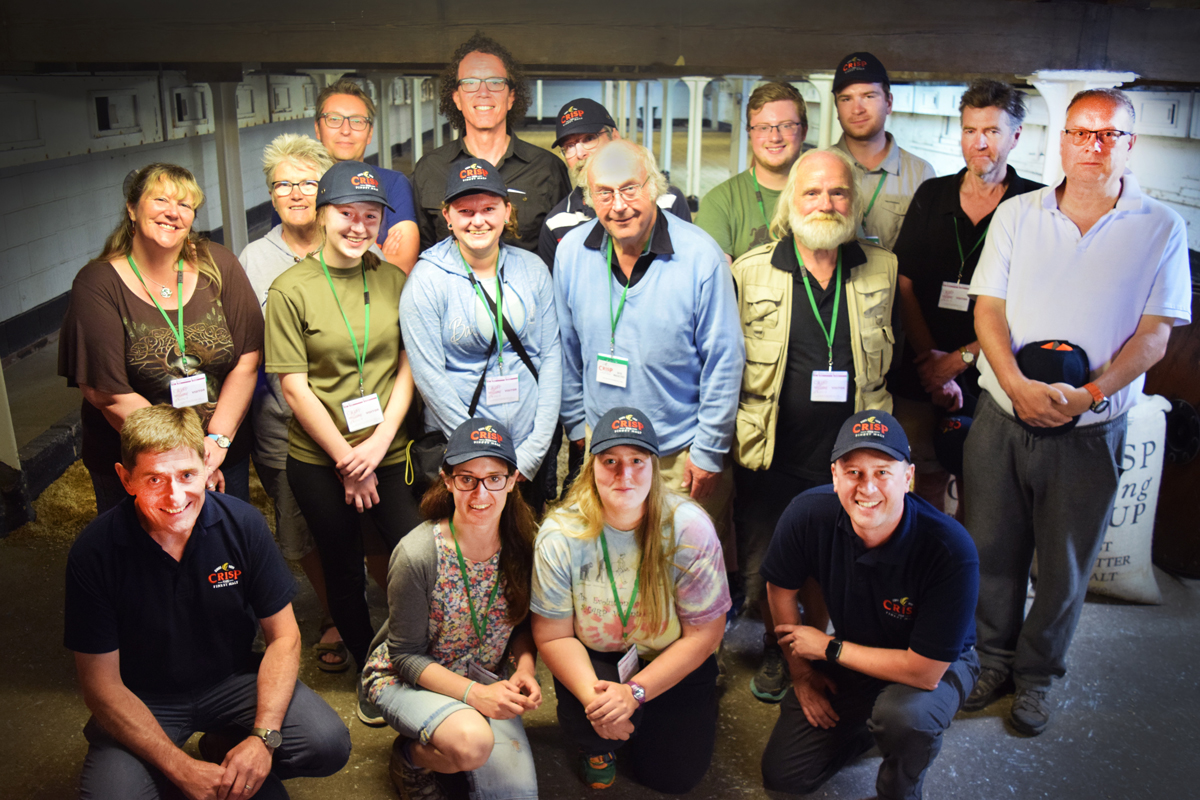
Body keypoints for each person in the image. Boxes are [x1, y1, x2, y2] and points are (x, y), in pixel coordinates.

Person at [963, 88, 1192, 735]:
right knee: (992, 551)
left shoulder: (1160, 227)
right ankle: (990, 662)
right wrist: (1017, 386)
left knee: (1064, 566)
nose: (1093, 145)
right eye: (1081, 132)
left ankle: (1037, 679)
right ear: (1060, 140)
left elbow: (1154, 335)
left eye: (1109, 134)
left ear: (1130, 145)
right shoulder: (1019, 214)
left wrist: (1088, 396)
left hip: (1090, 430)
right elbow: (989, 311)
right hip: (1002, 419)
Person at [64, 404, 350, 800]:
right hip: (143, 695)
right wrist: (179, 768)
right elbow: (100, 685)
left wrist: (263, 738)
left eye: (186, 475)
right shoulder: (94, 552)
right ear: (125, 479)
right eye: (154, 479)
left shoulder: (243, 524)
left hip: (229, 680)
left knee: (327, 743)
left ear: (208, 469)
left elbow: (284, 638)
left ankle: (225, 747)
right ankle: (178, 774)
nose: (175, 495)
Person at [729, 147, 898, 704]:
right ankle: (784, 653)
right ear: (790, 200)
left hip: (852, 456)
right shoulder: (750, 271)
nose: (825, 203)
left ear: (852, 200)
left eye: (838, 192)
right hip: (771, 450)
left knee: (840, 564)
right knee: (776, 566)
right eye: (812, 192)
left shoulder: (882, 268)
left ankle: (828, 649)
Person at [264, 160, 421, 725]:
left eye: (370, 216)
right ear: (323, 214)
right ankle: (369, 673)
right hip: (318, 459)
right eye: (346, 214)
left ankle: (418, 662)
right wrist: (347, 460)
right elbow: (294, 387)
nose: (359, 226)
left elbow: (408, 368)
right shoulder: (290, 289)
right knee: (343, 569)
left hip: (388, 450)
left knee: (413, 557)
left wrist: (376, 449)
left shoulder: (395, 281)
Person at [759, 410, 979, 800]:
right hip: (857, 655)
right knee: (784, 775)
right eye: (853, 472)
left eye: (882, 472)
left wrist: (828, 648)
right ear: (834, 476)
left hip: (937, 664)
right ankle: (864, 725)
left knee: (905, 718)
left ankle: (900, 788)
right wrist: (802, 673)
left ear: (908, 478)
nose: (867, 487)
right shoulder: (808, 513)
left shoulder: (950, 549)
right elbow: (780, 588)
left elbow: (924, 672)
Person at [555, 139, 744, 559]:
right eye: (604, 193)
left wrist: (709, 451)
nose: (618, 205)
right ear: (589, 199)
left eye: (629, 189)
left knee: (681, 570)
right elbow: (566, 346)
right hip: (602, 448)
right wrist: (577, 427)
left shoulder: (700, 256)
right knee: (612, 565)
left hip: (677, 453)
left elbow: (725, 359)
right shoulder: (570, 253)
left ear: (654, 187)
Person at [532, 406, 731, 793]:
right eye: (611, 461)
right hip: (598, 658)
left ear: (655, 466)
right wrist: (600, 703)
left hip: (670, 654)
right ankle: (597, 743)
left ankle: (666, 714)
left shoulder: (690, 527)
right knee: (602, 732)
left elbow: (706, 634)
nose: (625, 475)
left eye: (637, 461)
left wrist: (635, 692)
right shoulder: (560, 535)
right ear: (592, 467)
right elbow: (553, 635)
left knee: (672, 778)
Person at [59, 162, 262, 514]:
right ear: (132, 208)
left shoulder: (220, 264)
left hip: (219, 452)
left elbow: (247, 359)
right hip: (141, 464)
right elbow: (107, 392)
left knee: (224, 558)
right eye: (160, 200)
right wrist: (184, 461)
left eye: (185, 204)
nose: (173, 212)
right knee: (146, 564)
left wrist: (216, 441)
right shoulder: (98, 284)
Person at [362, 418, 541, 800]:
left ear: (512, 480)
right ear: (447, 480)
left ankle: (453, 743)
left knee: (517, 795)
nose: (481, 493)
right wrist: (476, 696)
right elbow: (405, 656)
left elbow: (522, 625)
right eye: (467, 479)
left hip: (482, 675)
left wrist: (525, 667)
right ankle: (411, 758)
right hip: (408, 676)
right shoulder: (418, 554)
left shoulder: (523, 545)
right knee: (471, 743)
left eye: (494, 478)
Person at [890, 80, 1042, 513]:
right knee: (921, 483)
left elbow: (1032, 305)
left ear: (1015, 136)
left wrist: (959, 361)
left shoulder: (1034, 204)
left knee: (986, 492)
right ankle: (928, 573)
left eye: (992, 132)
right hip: (922, 374)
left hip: (996, 378)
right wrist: (933, 364)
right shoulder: (933, 194)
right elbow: (905, 284)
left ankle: (973, 576)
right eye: (970, 130)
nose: (979, 144)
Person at [240, 134, 355, 674]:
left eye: (308, 181)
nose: (295, 192)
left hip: (355, 419)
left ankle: (369, 610)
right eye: (282, 184)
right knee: (300, 523)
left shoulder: (355, 245)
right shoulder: (254, 260)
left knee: (361, 520)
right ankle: (339, 616)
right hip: (283, 421)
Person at [402, 158, 562, 510]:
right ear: (447, 216)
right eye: (465, 211)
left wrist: (533, 450)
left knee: (525, 546)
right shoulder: (427, 281)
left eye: (489, 209)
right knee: (469, 548)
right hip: (464, 454)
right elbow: (430, 377)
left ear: (507, 211)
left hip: (528, 447)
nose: (478, 220)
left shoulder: (532, 270)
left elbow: (551, 357)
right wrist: (484, 455)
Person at [412, 32, 571, 252]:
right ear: (457, 98)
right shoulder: (429, 169)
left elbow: (564, 251)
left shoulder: (548, 168)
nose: (483, 92)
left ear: (511, 97)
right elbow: (423, 253)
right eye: (470, 83)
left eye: (495, 82)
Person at [538, 97, 692, 268]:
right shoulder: (556, 223)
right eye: (569, 146)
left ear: (615, 136)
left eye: (589, 138)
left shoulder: (668, 200)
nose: (579, 153)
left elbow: (687, 266)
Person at [291, 78, 420, 272]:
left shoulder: (393, 184)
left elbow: (400, 269)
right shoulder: (296, 186)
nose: (345, 130)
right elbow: (289, 259)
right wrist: (379, 256)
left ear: (369, 133)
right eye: (334, 119)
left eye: (357, 121)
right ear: (317, 128)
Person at [695, 81, 811, 264]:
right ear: (749, 133)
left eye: (786, 125)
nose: (775, 137)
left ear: (804, 131)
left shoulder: (829, 197)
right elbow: (717, 284)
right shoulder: (721, 202)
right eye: (763, 127)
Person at [829, 52, 936, 250]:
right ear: (837, 109)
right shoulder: (816, 169)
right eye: (846, 99)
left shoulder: (921, 174)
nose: (857, 109)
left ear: (888, 103)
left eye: (868, 96)